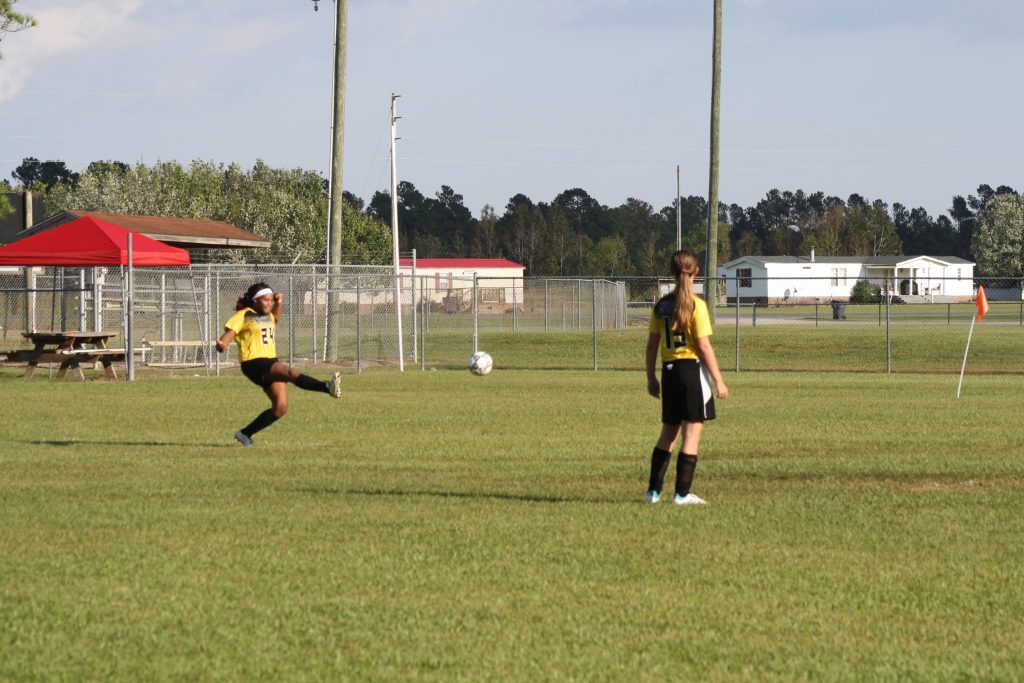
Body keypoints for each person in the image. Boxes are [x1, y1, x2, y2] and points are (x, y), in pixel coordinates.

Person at [644, 249, 729, 505]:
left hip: (668, 374)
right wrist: (719, 381)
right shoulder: (697, 305)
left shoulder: (661, 306)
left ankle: (653, 492)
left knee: (668, 434)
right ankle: (682, 494)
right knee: (691, 435)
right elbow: (703, 347)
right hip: (691, 373)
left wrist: (651, 377)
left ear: (671, 272)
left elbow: (651, 346)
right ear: (696, 273)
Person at [216, 282, 341, 446]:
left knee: (280, 408)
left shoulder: (268, 314)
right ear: (254, 301)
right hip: (253, 362)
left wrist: (278, 303)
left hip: (270, 360)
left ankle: (245, 434)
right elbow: (229, 334)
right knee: (289, 372)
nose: (269, 303)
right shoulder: (244, 315)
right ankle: (326, 387)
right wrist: (222, 344)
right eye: (265, 300)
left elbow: (275, 318)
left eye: (270, 300)